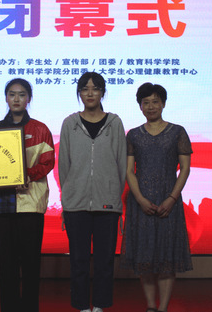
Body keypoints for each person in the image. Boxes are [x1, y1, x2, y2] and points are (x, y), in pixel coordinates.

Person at [121, 83, 193, 312]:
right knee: (145, 258)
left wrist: (172, 198)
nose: (150, 106)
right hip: (140, 202)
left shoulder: (177, 132)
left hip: (168, 201)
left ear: (163, 104)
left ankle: (163, 308)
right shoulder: (133, 135)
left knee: (166, 258)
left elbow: (185, 168)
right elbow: (128, 171)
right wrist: (140, 199)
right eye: (146, 102)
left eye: (155, 102)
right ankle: (151, 306)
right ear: (140, 106)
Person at [58, 72, 127, 312]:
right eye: (85, 89)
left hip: (107, 203)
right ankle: (81, 305)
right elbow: (63, 166)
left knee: (104, 260)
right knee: (78, 260)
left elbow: (121, 165)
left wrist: (113, 192)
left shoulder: (114, 123)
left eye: (95, 88)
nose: (90, 93)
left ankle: (100, 304)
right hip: (75, 203)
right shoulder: (70, 123)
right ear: (79, 93)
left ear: (102, 93)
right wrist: (69, 195)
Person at [0, 78, 55, 312]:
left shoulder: (40, 129)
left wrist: (26, 176)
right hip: (4, 202)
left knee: (30, 262)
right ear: (6, 98)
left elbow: (48, 162)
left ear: (29, 98)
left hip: (31, 202)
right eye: (11, 94)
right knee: (6, 263)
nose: (16, 99)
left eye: (21, 94)